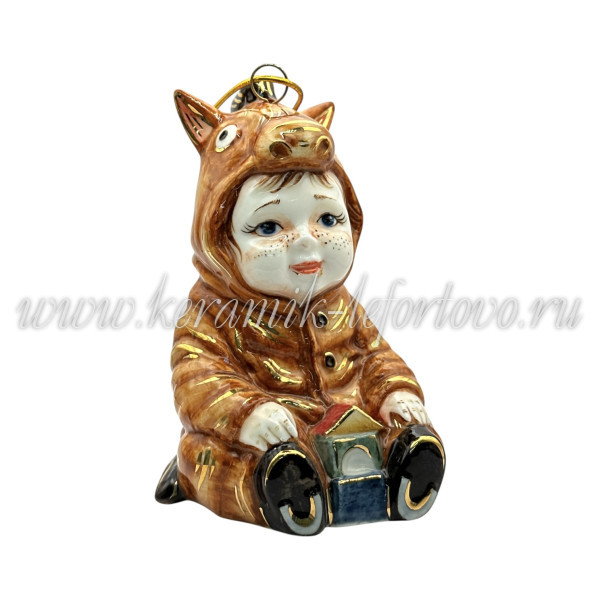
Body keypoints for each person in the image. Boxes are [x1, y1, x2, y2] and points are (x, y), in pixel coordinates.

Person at [155, 89, 444, 534]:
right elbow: (197, 377)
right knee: (207, 456)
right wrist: (248, 414)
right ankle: (279, 490)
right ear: (220, 240)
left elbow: (375, 357)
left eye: (328, 220)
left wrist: (395, 394)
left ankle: (408, 469)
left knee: (387, 432)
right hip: (267, 434)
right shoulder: (211, 312)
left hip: (349, 422)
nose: (307, 242)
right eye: (270, 226)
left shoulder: (341, 306)